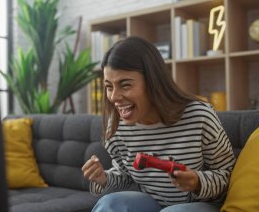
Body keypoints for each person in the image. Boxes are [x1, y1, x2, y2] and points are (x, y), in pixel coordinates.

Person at [82, 36, 235, 212]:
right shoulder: (117, 128)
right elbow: (125, 176)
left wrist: (198, 182)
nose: (114, 97)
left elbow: (227, 174)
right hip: (151, 204)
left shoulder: (199, 116)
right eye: (109, 87)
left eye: (125, 85)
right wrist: (103, 178)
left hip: (201, 205)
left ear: (153, 82)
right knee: (110, 204)